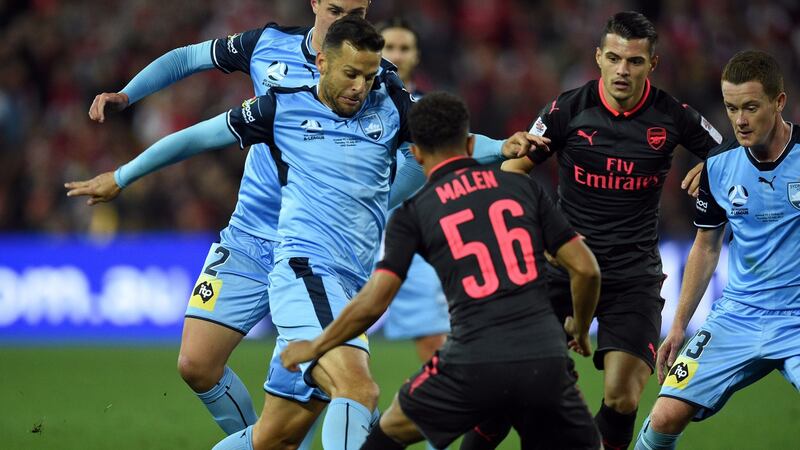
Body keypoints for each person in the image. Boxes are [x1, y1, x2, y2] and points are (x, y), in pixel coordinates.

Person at [67, 16, 532, 449]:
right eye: (351, 74)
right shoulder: (281, 106)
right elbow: (197, 136)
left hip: (347, 282)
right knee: (358, 389)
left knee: (275, 438)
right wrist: (122, 176)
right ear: (323, 60)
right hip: (305, 271)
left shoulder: (390, 105)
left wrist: (505, 145)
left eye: (369, 76)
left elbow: (454, 145)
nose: (360, 87)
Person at [85, 1, 379, 445]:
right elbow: (188, 58)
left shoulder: (372, 76)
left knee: (339, 386)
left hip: (319, 249)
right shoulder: (267, 45)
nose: (348, 19)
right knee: (196, 364)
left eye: (358, 9)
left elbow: (408, 151)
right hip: (251, 236)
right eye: (337, 7)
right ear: (316, 2)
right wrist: (129, 94)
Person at [281, 91, 602, 450]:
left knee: (384, 439)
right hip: (545, 359)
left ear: (415, 154)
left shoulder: (414, 211)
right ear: (468, 143)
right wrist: (582, 327)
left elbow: (374, 301)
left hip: (470, 363)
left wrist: (317, 344)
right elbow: (587, 270)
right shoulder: (522, 187)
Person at [463, 11, 724, 450]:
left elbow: (732, 155)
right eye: (615, 58)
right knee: (507, 390)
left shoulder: (673, 117)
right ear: (598, 57)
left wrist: (711, 167)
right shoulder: (567, 109)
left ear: (652, 66)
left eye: (635, 61)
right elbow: (513, 167)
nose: (624, 70)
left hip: (632, 277)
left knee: (623, 397)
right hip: (559, 270)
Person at [634, 50, 800, 450]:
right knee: (664, 415)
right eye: (731, 108)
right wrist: (678, 326)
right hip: (739, 315)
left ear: (779, 102)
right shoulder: (718, 166)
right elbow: (706, 247)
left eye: (750, 107)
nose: (740, 120)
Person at [377, 18, 450, 370]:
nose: (396, 55)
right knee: (323, 342)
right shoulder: (351, 105)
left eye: (404, 48)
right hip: (355, 233)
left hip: (418, 238)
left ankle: (442, 418)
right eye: (388, 47)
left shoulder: (430, 112)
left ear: (416, 56)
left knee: (435, 342)